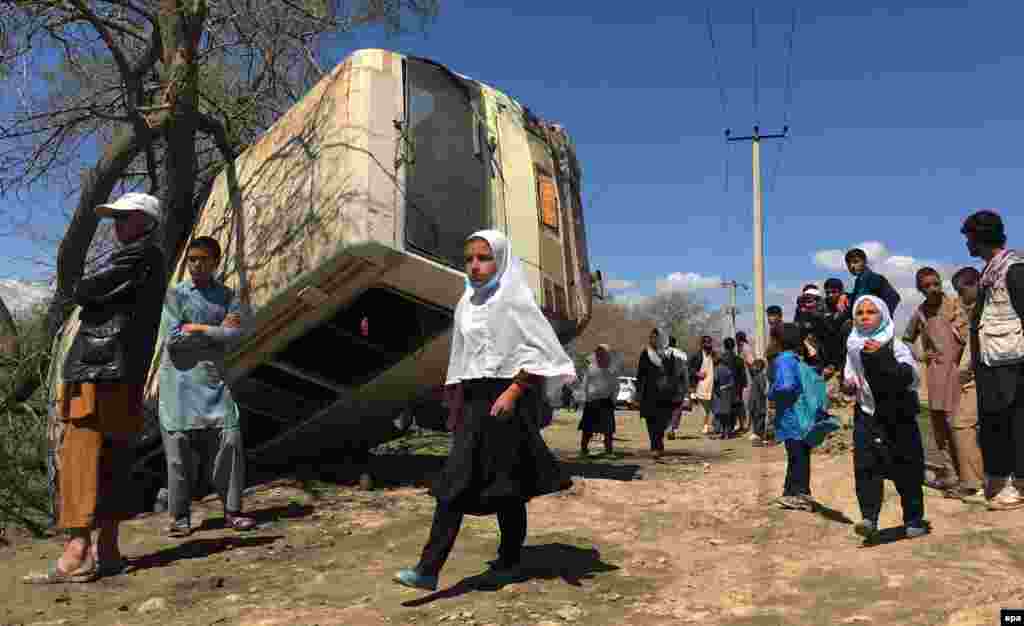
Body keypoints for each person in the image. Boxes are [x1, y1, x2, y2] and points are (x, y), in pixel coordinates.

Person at [394, 230, 574, 591]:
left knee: (507, 486)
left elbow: (540, 351)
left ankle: (508, 560)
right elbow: (463, 356)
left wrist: (513, 391)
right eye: (470, 259)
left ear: (501, 260)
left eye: (484, 258)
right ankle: (428, 569)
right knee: (456, 479)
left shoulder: (515, 299)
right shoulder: (466, 303)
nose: (475, 266)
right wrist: (455, 399)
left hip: (508, 398)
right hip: (475, 399)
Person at [25, 193, 166, 584]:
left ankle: (76, 554)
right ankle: (108, 551)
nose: (117, 224)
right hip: (122, 372)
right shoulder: (150, 258)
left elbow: (84, 290)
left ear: (145, 220)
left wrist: (82, 288)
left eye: (125, 217)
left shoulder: (137, 257)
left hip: (100, 369)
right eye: (116, 218)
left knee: (81, 455)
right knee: (115, 456)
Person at [157, 236, 255, 537]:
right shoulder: (175, 295)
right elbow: (173, 339)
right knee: (178, 450)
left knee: (230, 438)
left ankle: (233, 510)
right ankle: (180, 517)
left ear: (215, 262)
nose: (196, 265)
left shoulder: (228, 296)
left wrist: (199, 328)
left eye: (203, 260)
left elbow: (236, 333)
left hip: (213, 379)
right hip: (179, 383)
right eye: (192, 260)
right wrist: (217, 333)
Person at [843, 296, 928, 542]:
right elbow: (851, 377)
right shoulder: (852, 345)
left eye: (872, 311)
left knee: (906, 467)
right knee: (866, 465)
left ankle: (913, 519)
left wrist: (883, 359)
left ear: (883, 315)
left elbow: (911, 378)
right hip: (867, 412)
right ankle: (869, 518)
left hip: (897, 414)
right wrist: (848, 386)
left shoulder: (895, 345)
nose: (865, 316)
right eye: (860, 312)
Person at [960, 210, 1024, 510]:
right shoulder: (989, 273)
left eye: (969, 237)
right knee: (996, 422)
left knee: (1014, 422)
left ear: (981, 237)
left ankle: (1014, 486)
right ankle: (999, 483)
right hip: (992, 362)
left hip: (1012, 364)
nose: (967, 244)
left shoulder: (1013, 271)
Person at [902, 266, 967, 493]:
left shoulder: (955, 305)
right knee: (939, 424)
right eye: (927, 286)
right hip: (936, 373)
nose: (932, 289)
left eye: (935, 283)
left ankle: (969, 476)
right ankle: (950, 474)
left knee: (958, 423)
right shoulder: (920, 313)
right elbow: (907, 338)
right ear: (920, 289)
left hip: (959, 371)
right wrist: (920, 355)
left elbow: (966, 337)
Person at [948, 266, 987, 503]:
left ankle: (977, 484)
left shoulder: (986, 309)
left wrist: (962, 372)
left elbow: (976, 347)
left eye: (962, 291)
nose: (961, 296)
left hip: (981, 376)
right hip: (981, 376)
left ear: (975, 284)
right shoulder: (970, 309)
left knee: (962, 424)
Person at [770, 324, 816, 510]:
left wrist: (772, 392)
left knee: (796, 456)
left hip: (791, 417)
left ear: (779, 341)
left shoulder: (784, 360)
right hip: (804, 415)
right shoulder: (798, 359)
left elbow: (786, 386)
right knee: (801, 455)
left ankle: (798, 494)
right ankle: (794, 493)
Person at [636, 328, 686, 457]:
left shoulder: (669, 355)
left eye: (656, 337)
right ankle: (655, 445)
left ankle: (658, 442)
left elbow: (673, 374)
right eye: (651, 337)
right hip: (649, 393)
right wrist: (638, 394)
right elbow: (640, 375)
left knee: (662, 421)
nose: (653, 340)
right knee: (651, 421)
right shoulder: (645, 354)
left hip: (665, 394)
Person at [578, 345, 621, 457]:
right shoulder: (591, 368)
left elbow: (616, 386)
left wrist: (613, 400)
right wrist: (584, 398)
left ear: (607, 354)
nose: (600, 355)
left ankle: (609, 451)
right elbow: (585, 384)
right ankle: (583, 450)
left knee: (608, 429)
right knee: (587, 428)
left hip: (606, 402)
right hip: (591, 401)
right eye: (598, 353)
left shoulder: (613, 369)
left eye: (602, 353)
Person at [837, 248, 901, 321]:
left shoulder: (874, 278)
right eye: (849, 264)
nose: (852, 266)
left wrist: (879, 318)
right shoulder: (859, 282)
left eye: (856, 262)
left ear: (864, 262)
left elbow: (894, 297)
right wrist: (845, 295)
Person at [666, 336, 691, 440]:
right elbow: (685, 374)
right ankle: (672, 427)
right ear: (675, 343)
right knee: (677, 408)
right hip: (678, 387)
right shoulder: (682, 354)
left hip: (664, 387)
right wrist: (687, 390)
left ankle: (667, 427)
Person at [690, 335, 716, 435]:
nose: (709, 345)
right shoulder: (696, 356)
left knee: (710, 407)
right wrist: (697, 373)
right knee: (704, 408)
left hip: (712, 384)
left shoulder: (714, 355)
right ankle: (705, 425)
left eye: (710, 342)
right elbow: (689, 368)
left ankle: (708, 425)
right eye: (706, 343)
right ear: (702, 344)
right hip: (700, 385)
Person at [722, 337, 748, 434]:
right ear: (733, 346)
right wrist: (743, 385)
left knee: (725, 407)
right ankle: (740, 425)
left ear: (724, 346)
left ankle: (726, 428)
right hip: (737, 387)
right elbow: (742, 375)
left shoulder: (721, 359)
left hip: (724, 388)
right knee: (738, 406)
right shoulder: (739, 359)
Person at [711, 352, 736, 439]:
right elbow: (732, 383)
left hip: (718, 395)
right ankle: (727, 433)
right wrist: (725, 386)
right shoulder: (728, 369)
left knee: (719, 415)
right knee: (727, 415)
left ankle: (721, 432)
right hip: (727, 395)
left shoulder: (716, 369)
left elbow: (715, 380)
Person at [736, 332, 755, 434]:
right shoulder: (741, 348)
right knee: (742, 403)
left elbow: (751, 362)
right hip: (742, 380)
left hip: (747, 380)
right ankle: (743, 424)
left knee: (746, 403)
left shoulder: (745, 348)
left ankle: (748, 425)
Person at [748, 358, 769, 446]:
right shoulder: (761, 377)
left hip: (754, 403)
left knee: (756, 421)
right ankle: (759, 439)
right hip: (759, 403)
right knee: (760, 421)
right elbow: (764, 390)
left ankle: (757, 438)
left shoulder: (756, 377)